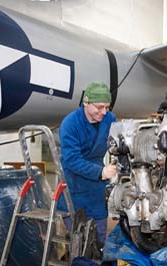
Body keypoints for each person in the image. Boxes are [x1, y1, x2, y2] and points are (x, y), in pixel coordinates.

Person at [57, 82, 117, 244]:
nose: (104, 112)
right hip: (74, 186)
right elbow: (72, 160)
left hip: (96, 189)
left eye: (107, 107)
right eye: (99, 107)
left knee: (100, 238)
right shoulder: (70, 124)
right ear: (86, 103)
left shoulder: (109, 119)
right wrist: (101, 172)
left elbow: (117, 144)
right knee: (78, 243)